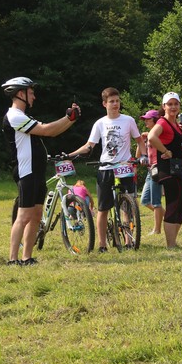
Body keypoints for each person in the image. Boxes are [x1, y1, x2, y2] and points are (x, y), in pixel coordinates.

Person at [2, 77, 80, 266]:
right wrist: (68, 118)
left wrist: (71, 119)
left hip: (36, 171)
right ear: (20, 94)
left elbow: (52, 131)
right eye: (31, 93)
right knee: (24, 215)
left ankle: (27, 257)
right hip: (25, 171)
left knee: (36, 215)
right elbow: (46, 130)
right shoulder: (14, 115)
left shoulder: (25, 117)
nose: (34, 97)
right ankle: (12, 259)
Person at [68, 87, 145, 253]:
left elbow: (139, 140)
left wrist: (143, 156)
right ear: (104, 104)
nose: (115, 104)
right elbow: (90, 145)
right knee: (103, 208)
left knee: (127, 205)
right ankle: (102, 244)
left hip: (124, 166)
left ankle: (128, 240)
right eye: (112, 101)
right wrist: (71, 154)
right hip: (106, 168)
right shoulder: (100, 123)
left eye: (117, 101)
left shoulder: (128, 120)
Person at [147, 92, 182, 249]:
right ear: (164, 106)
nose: (173, 107)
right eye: (170, 104)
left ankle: (173, 240)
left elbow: (177, 144)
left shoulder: (176, 125)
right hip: (168, 171)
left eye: (176, 104)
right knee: (173, 205)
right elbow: (152, 137)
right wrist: (165, 151)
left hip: (178, 169)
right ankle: (170, 245)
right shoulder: (163, 122)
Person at [138, 109, 164, 235]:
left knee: (156, 201)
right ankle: (165, 216)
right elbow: (138, 155)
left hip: (157, 168)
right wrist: (141, 141)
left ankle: (157, 229)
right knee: (144, 200)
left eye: (148, 119)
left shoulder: (159, 134)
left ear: (155, 120)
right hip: (150, 170)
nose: (146, 121)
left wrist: (148, 136)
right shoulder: (148, 136)